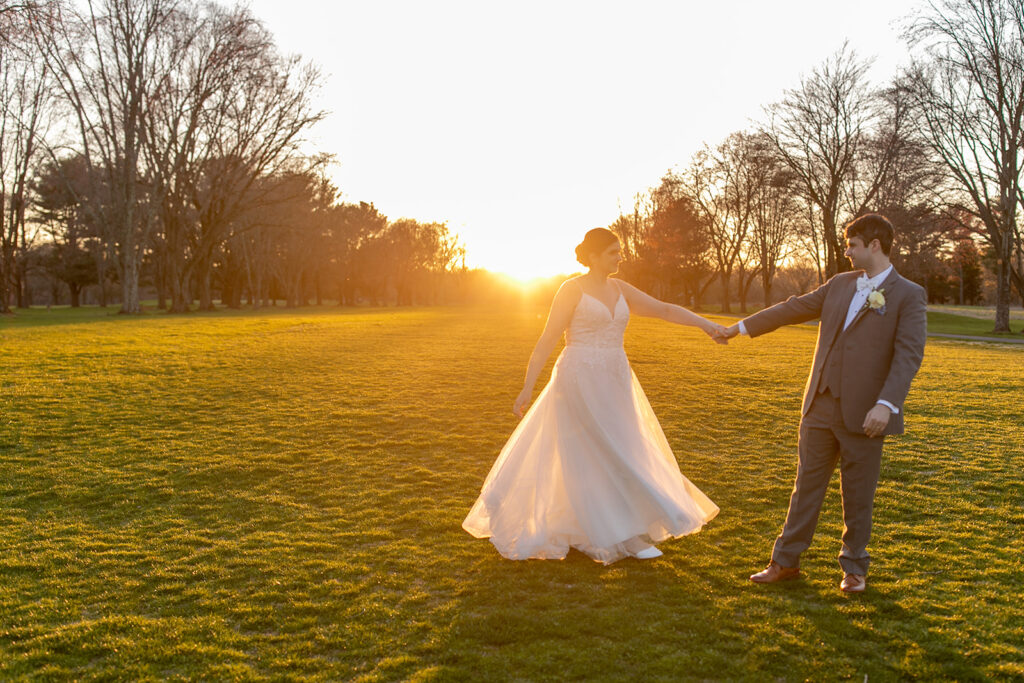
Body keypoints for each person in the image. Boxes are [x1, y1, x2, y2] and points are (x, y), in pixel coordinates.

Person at [463, 228, 724, 564]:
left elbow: (665, 310)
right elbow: (547, 340)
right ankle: (625, 536)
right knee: (600, 450)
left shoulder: (619, 288)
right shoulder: (571, 289)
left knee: (625, 447)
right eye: (613, 252)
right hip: (578, 377)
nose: (620, 257)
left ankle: (608, 526)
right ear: (595, 256)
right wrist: (528, 386)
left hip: (615, 378)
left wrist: (707, 325)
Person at [721, 213, 926, 593]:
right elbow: (792, 307)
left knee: (858, 494)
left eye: (852, 245)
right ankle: (784, 562)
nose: (847, 252)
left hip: (866, 413)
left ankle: (854, 568)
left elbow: (908, 356)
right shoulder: (839, 284)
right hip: (819, 406)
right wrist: (741, 328)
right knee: (805, 488)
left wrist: (886, 405)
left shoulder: (908, 294)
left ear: (875, 246)